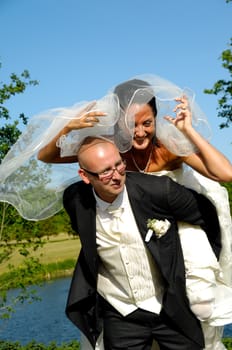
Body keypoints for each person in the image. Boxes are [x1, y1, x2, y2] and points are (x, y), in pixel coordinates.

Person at [36, 75, 232, 350]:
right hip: (131, 228)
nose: (139, 132)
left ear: (155, 120)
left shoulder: (168, 148)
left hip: (177, 221)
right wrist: (67, 127)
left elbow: (225, 173)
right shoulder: (111, 150)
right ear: (118, 124)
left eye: (147, 123)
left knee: (195, 298)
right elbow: (46, 156)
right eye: (131, 125)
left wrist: (188, 130)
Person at [63, 135, 220, 350]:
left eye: (119, 165)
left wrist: (201, 268)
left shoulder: (159, 190)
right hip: (119, 311)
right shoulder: (75, 200)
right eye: (106, 171)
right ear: (85, 176)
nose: (117, 176)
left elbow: (207, 215)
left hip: (169, 306)